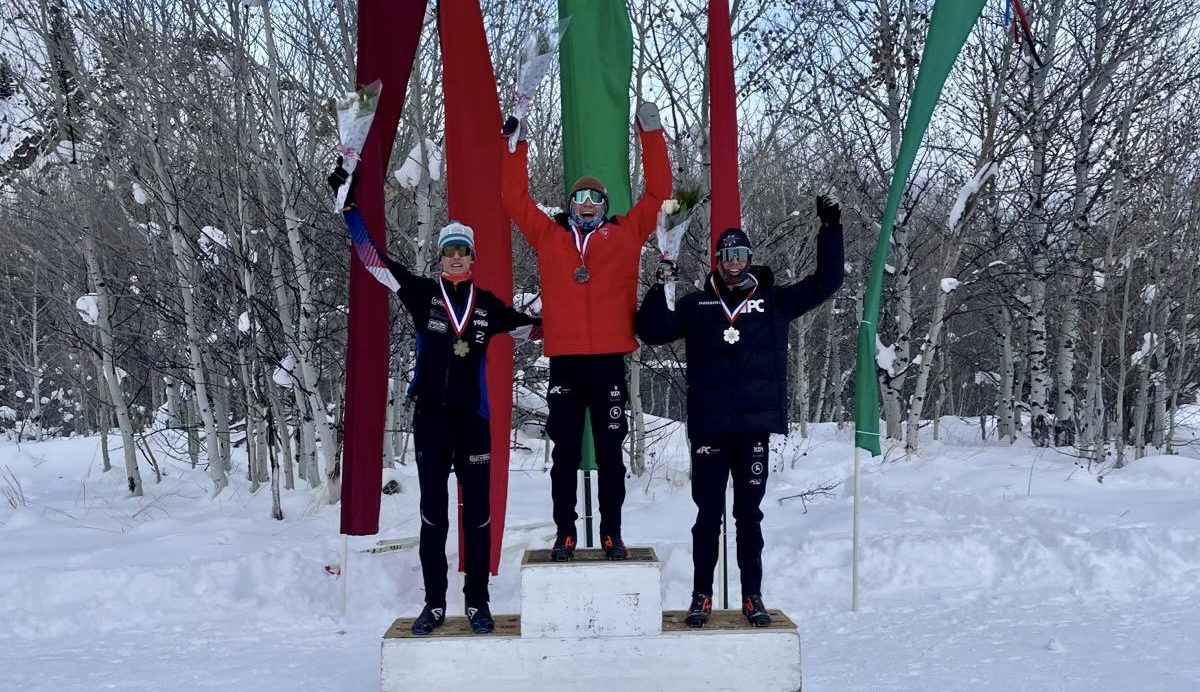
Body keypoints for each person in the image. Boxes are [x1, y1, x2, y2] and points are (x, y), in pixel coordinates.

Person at [330, 164, 541, 636]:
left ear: (473, 258)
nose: (456, 259)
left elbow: (535, 327)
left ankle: (478, 604)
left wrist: (576, 304)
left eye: (463, 252)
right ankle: (433, 605)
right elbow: (373, 261)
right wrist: (349, 209)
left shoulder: (487, 306)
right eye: (448, 252)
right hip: (430, 421)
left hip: (473, 422)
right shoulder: (422, 295)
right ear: (440, 258)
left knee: (479, 517)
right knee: (433, 517)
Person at [635, 197, 844, 627]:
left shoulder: (774, 302)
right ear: (717, 261)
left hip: (752, 429)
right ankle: (701, 596)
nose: (733, 263)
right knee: (707, 516)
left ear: (750, 259)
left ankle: (752, 596)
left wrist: (830, 229)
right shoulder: (696, 306)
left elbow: (826, 281)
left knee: (749, 515)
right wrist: (660, 284)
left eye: (741, 255)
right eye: (726, 255)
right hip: (711, 429)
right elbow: (650, 331)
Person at [500, 103, 672, 561]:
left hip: (610, 360)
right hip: (566, 361)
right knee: (565, 455)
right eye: (580, 199)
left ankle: (613, 533)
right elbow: (515, 200)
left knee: (612, 455)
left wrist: (649, 134)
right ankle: (565, 534)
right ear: (571, 205)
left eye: (596, 199)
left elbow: (660, 193)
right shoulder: (550, 236)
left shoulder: (626, 232)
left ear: (607, 205)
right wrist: (515, 145)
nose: (588, 205)